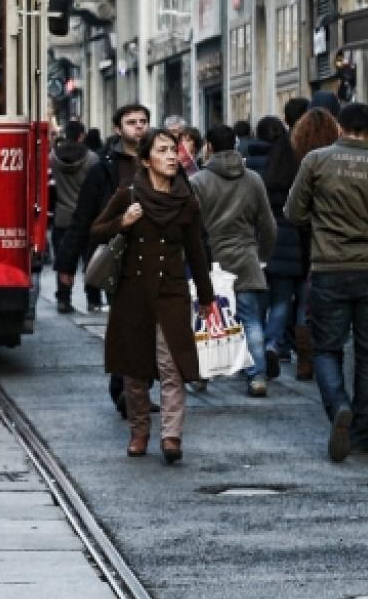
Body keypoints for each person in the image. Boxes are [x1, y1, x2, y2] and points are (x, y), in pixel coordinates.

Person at [286, 103, 368, 462]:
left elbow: (293, 212)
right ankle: (360, 434)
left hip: (329, 267)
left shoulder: (315, 161)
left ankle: (338, 406)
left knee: (327, 348)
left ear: (340, 128)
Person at [90, 128, 215, 464]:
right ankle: (140, 430)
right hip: (134, 293)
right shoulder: (128, 196)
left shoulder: (186, 202)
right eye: (163, 151)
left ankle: (171, 436)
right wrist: (123, 222)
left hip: (172, 293)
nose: (172, 156)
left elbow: (197, 253)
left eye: (174, 150)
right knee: (135, 369)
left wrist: (207, 297)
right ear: (146, 160)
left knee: (172, 365)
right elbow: (96, 230)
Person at [190, 124, 277, 397]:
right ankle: (257, 376)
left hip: (210, 259)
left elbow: (190, 227)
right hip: (246, 257)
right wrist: (262, 256)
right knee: (250, 319)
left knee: (205, 319)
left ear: (209, 146)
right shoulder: (252, 179)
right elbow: (268, 225)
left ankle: (202, 374)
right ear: (236, 144)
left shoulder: (199, 182)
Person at [56, 104, 151, 317]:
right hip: (118, 255)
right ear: (118, 129)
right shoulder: (102, 169)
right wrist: (67, 264)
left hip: (156, 256)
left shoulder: (161, 163)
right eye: (131, 122)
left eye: (143, 122)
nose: (139, 127)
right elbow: (84, 218)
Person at [263, 98, 314, 380]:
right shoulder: (308, 151)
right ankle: (303, 355)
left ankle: (272, 343)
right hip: (303, 238)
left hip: (280, 238)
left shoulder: (279, 152)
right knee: (304, 301)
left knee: (281, 299)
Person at [49, 120, 99, 314]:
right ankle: (93, 300)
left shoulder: (53, 157)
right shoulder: (92, 159)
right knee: (91, 260)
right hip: (87, 216)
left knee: (65, 259)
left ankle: (63, 298)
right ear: (81, 136)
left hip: (62, 216)